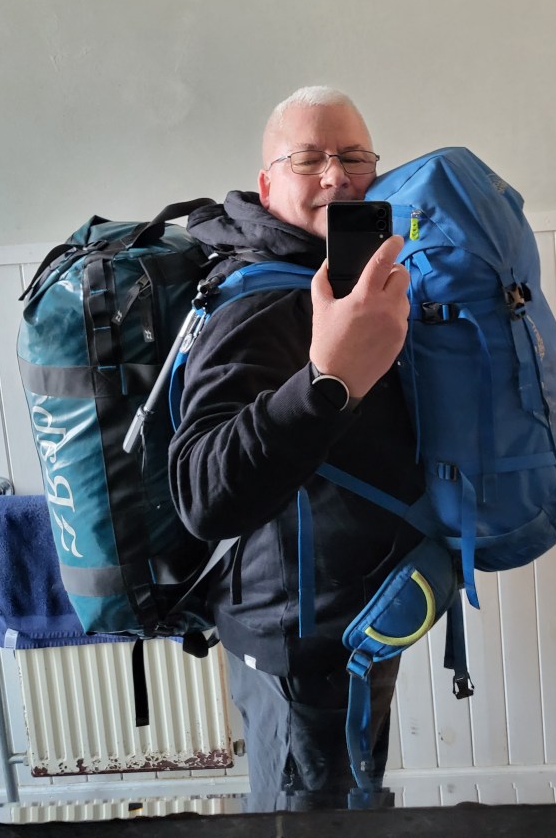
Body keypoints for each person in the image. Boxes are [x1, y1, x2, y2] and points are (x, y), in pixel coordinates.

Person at [168, 86, 425, 809]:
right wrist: (325, 380)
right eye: (308, 158)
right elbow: (201, 490)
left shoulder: (347, 277)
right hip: (298, 646)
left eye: (353, 157)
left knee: (351, 799)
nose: (336, 176)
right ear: (266, 183)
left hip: (353, 622)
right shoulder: (256, 299)